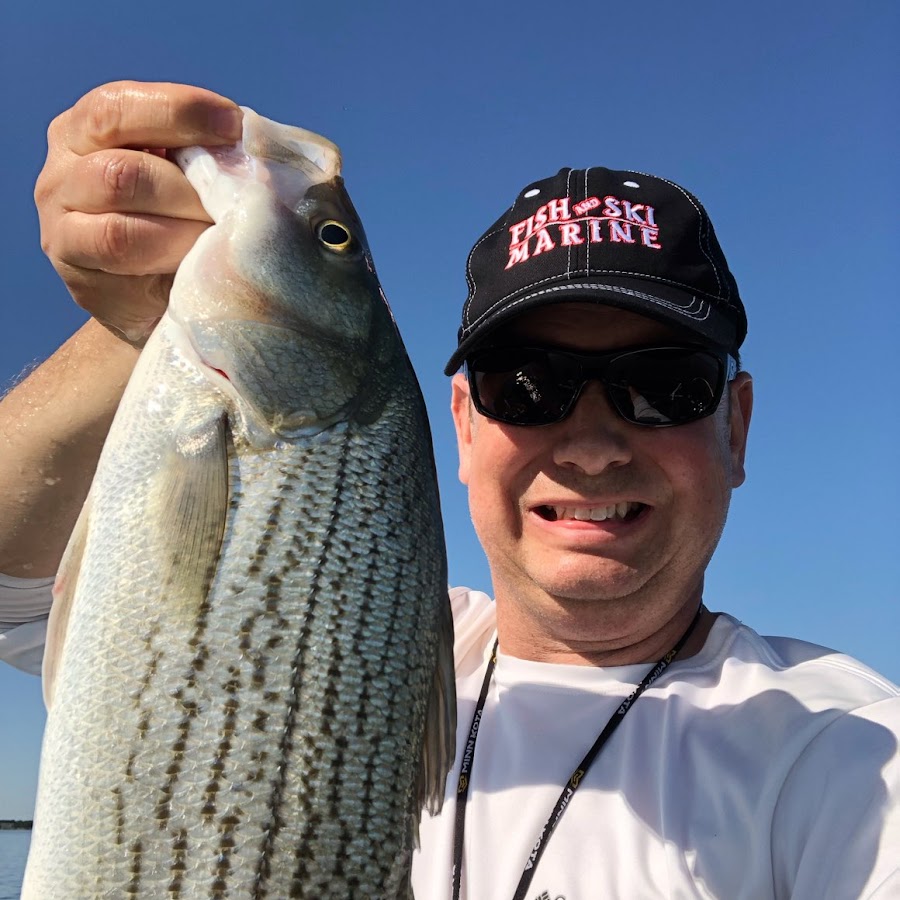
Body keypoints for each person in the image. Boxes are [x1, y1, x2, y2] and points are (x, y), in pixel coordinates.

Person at [0, 81, 897, 899]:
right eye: (529, 386)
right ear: (464, 424)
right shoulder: (378, 629)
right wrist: (134, 325)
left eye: (665, 386)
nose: (590, 447)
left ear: (735, 427)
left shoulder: (852, 761)